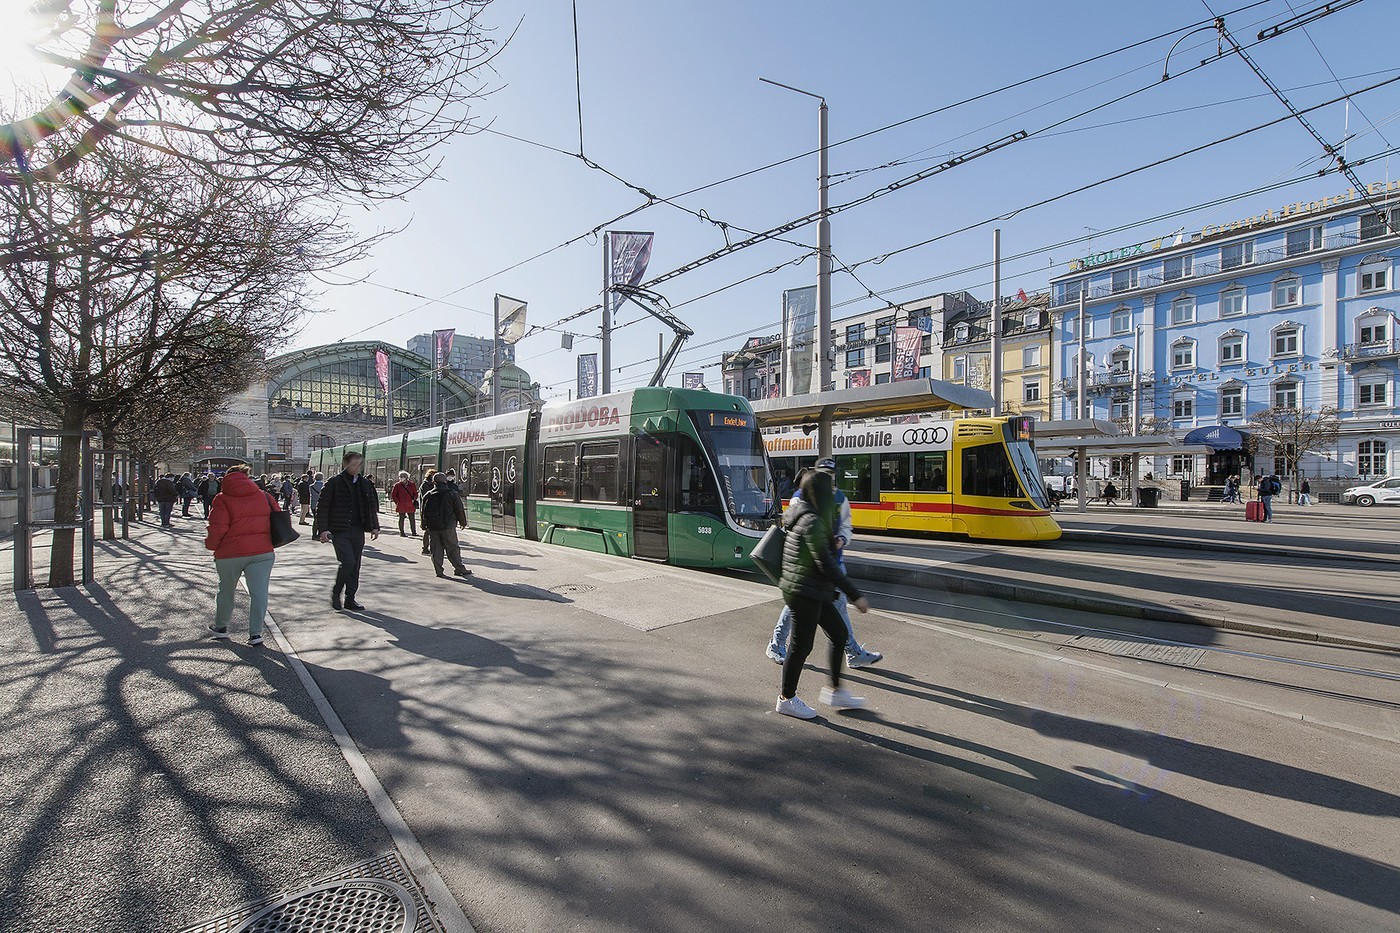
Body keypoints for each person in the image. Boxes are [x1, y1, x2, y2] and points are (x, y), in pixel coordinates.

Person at [774, 469, 872, 720]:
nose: (835, 492)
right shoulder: (812, 521)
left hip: (811, 589)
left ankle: (836, 690)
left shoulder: (808, 515)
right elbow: (826, 564)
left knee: (839, 634)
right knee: (801, 646)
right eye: (829, 489)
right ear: (819, 493)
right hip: (803, 591)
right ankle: (786, 699)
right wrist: (854, 595)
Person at [767, 460, 883, 669]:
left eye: (831, 474)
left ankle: (850, 652)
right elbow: (794, 525)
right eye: (824, 474)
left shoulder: (839, 497)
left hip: (830, 561)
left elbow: (847, 525)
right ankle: (779, 648)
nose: (828, 478)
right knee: (805, 626)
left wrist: (842, 538)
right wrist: (856, 595)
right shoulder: (800, 497)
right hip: (812, 567)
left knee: (826, 611)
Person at [203, 464, 278, 646]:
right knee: (259, 593)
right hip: (262, 552)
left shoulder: (221, 499)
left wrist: (212, 546)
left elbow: (217, 528)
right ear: (247, 477)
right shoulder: (264, 496)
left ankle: (221, 627)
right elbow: (278, 518)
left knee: (226, 590)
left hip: (230, 553)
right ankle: (255, 634)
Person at [313, 451, 380, 611]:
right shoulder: (334, 482)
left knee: (355, 565)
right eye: (354, 464)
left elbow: (371, 506)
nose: (357, 467)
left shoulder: (364, 483)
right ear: (346, 464)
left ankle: (350, 598)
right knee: (348, 562)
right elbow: (322, 507)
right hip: (340, 530)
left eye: (359, 464)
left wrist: (374, 526)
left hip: (358, 529)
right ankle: (336, 592)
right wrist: (323, 530)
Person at [422, 472, 473, 578]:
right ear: (445, 481)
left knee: (436, 549)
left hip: (433, 527)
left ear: (434, 482)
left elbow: (423, 511)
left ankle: (439, 571)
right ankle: (459, 569)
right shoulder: (452, 493)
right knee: (452, 548)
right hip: (448, 526)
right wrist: (463, 523)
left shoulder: (428, 495)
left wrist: (424, 525)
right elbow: (459, 509)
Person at [390, 471, 420, 536]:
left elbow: (415, 493)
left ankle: (414, 532)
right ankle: (402, 532)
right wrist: (397, 502)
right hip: (401, 504)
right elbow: (393, 495)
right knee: (401, 519)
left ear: (406, 477)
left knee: (412, 519)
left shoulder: (412, 485)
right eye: (400, 477)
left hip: (410, 504)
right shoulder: (397, 485)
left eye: (402, 477)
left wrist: (413, 499)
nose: (401, 478)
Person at [419, 469, 437, 555]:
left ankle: (431, 548)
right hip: (428, 510)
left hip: (433, 510)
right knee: (428, 530)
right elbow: (424, 498)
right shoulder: (425, 485)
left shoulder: (434, 484)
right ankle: (425, 548)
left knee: (432, 530)